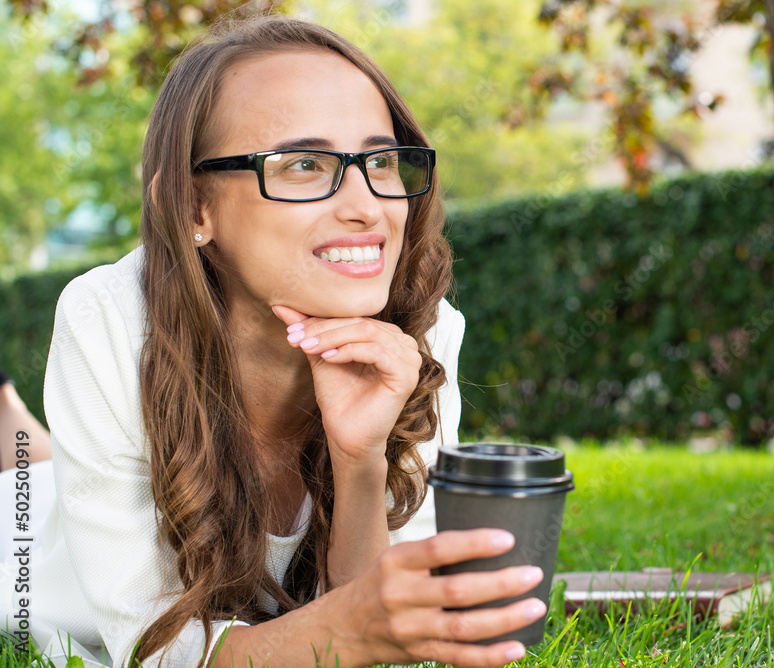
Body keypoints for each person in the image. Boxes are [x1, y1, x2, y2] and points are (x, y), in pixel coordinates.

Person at [0, 14, 546, 668]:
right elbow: (155, 653)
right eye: (304, 164)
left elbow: (383, 626)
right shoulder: (108, 319)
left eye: (380, 160)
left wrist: (359, 461)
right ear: (194, 208)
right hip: (27, 551)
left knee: (33, 458)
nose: (367, 206)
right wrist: (355, 630)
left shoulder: (421, 325)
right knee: (25, 481)